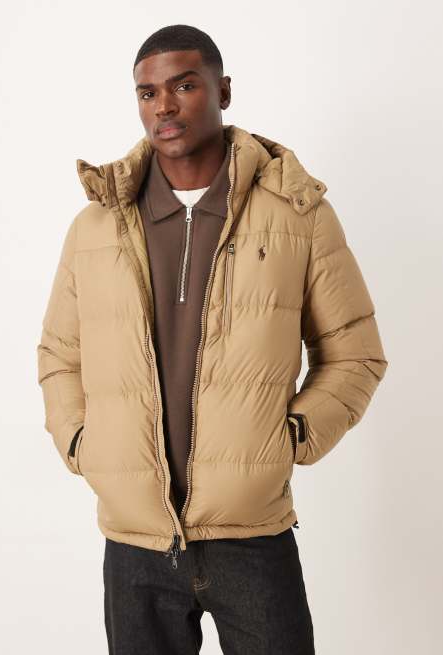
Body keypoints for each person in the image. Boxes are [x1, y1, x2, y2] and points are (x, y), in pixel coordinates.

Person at [37, 23, 388, 655]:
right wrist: (84, 444)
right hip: (136, 545)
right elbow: (60, 357)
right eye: (147, 93)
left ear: (222, 91)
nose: (163, 106)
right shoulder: (96, 226)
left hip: (252, 535)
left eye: (184, 86)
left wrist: (291, 436)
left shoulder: (297, 215)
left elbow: (354, 352)